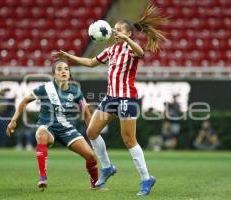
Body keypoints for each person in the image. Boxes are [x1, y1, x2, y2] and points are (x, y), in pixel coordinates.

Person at [52, 3, 168, 196]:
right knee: (91, 131)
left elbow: (140, 52)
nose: (115, 33)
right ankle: (107, 167)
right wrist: (68, 57)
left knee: (129, 140)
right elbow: (90, 63)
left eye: (119, 30)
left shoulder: (131, 49)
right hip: (110, 98)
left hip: (126, 98)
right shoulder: (112, 50)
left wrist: (126, 39)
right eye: (114, 30)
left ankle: (146, 178)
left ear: (129, 34)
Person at [6, 60, 99, 191]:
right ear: (54, 74)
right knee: (42, 135)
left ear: (69, 73)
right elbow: (24, 101)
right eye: (59, 69)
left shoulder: (75, 91)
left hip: (66, 128)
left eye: (66, 69)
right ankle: (42, 176)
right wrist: (13, 120)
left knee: (91, 156)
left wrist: (92, 133)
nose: (63, 71)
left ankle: (95, 184)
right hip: (47, 126)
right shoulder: (45, 88)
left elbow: (87, 114)